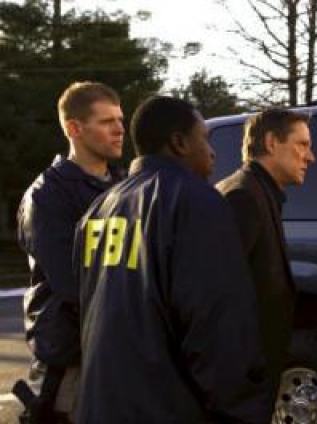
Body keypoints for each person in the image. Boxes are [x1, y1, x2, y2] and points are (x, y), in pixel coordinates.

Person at [73, 96, 269, 424]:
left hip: (100, 405)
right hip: (165, 408)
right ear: (179, 143)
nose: (212, 152)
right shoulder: (196, 202)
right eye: (204, 139)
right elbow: (218, 327)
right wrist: (241, 412)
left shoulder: (98, 209)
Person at [16, 81, 125, 423]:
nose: (119, 129)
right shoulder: (47, 195)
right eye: (107, 121)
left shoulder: (125, 185)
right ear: (74, 129)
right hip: (71, 357)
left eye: (120, 119)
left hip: (121, 349)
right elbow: (73, 284)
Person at [216, 108, 315, 415]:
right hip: (240, 380)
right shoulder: (242, 197)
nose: (311, 157)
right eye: (302, 144)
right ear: (272, 143)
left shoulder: (258, 192)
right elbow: (217, 297)